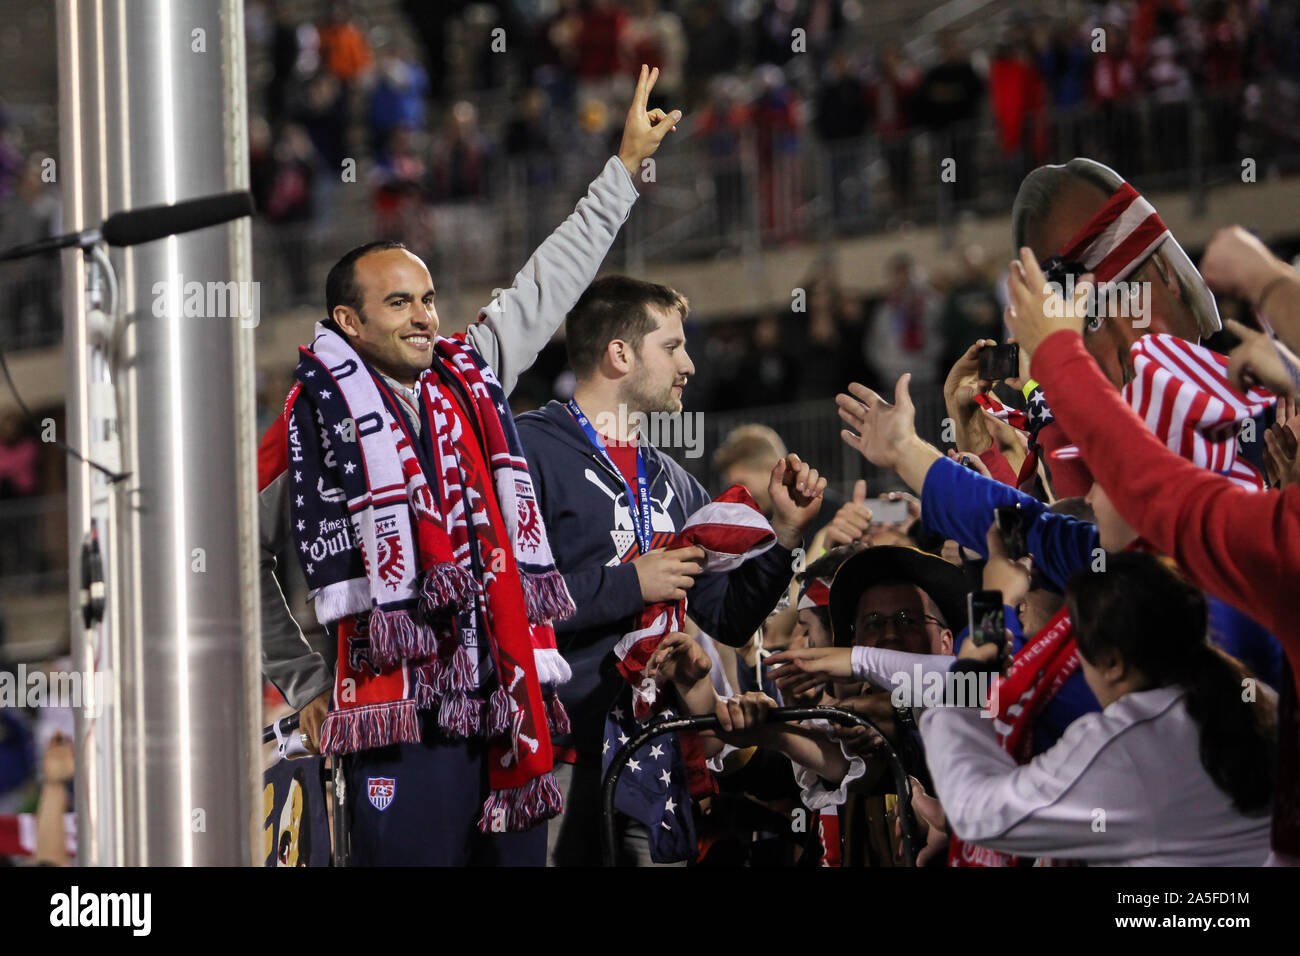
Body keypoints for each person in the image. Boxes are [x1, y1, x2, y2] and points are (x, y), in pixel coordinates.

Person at [257, 67, 681, 866]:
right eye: (398, 303)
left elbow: (543, 289)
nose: (424, 315)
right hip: (395, 720)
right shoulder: (306, 429)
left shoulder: (471, 376)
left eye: (426, 298)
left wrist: (621, 172)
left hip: (504, 700)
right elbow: (233, 566)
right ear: (345, 322)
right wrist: (309, 684)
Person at [515, 274, 828, 866]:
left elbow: (727, 617)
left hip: (655, 755)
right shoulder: (528, 452)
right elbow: (506, 602)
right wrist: (632, 583)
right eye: (672, 347)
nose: (688, 364)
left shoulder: (671, 480)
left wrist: (785, 533)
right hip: (555, 755)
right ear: (620, 354)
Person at [1003, 242, 1300, 864]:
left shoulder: (1259, 551)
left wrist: (1051, 359)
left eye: (1106, 476)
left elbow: (981, 806)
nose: (1097, 488)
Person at [922, 553, 1274, 866]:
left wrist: (971, 662)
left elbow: (977, 812)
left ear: (1112, 663)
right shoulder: (1261, 699)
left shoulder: (1127, 746)